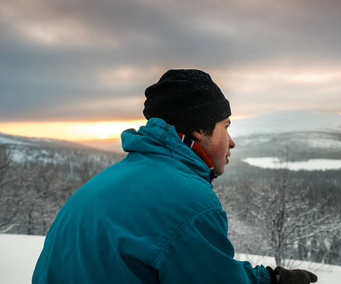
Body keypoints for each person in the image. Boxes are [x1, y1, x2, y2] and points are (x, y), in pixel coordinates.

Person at [32, 69, 318, 284]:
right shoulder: (189, 202)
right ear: (197, 130)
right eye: (225, 127)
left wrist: (270, 279)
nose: (231, 142)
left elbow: (204, 269)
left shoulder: (108, 181)